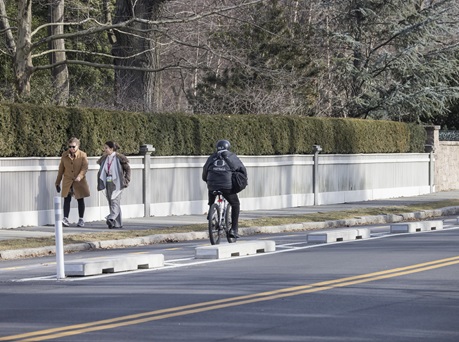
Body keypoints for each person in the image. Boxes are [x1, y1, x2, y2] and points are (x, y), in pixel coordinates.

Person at [202, 139, 247, 238]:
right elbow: (242, 169)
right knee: (235, 204)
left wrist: (208, 180)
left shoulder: (212, 157)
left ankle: (211, 209)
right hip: (227, 187)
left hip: (212, 185)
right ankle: (234, 230)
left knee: (211, 187)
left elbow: (205, 172)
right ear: (228, 147)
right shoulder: (232, 156)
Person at [55, 137, 90, 227]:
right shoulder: (64, 155)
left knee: (80, 199)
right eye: (70, 146)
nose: (71, 149)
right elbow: (61, 170)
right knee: (67, 199)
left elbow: (84, 168)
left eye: (73, 147)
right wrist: (57, 182)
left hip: (79, 181)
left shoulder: (83, 155)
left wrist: (80, 176)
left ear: (78, 146)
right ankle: (65, 218)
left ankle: (81, 219)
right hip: (68, 180)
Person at [97, 141, 131, 229]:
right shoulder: (105, 158)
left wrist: (126, 180)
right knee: (111, 201)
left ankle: (111, 218)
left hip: (118, 182)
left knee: (115, 201)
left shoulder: (119, 158)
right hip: (108, 181)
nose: (104, 150)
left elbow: (127, 169)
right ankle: (118, 224)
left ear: (112, 149)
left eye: (106, 148)